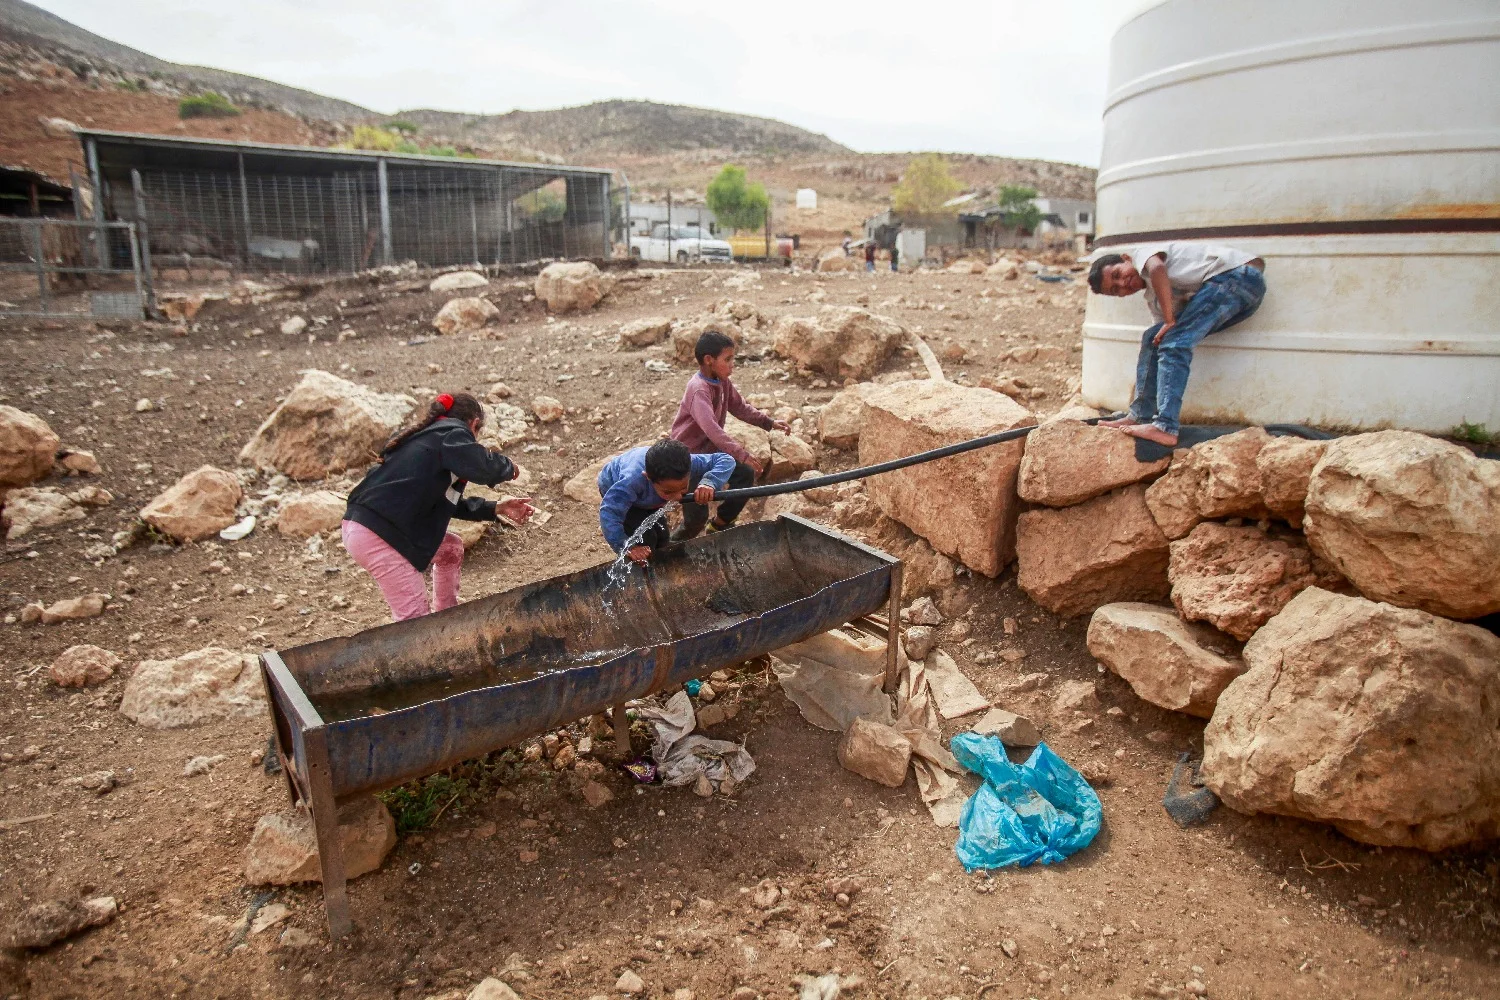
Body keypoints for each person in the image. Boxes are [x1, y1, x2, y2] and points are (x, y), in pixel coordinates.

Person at [341, 392, 533, 621]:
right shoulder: (450, 434)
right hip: (380, 535)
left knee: (450, 548)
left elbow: (447, 503)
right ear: (474, 424)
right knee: (414, 621)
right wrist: (508, 468)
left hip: (369, 527)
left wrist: (495, 508)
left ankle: (447, 618)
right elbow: (483, 466)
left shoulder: (427, 443)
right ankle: (424, 646)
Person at [1089, 243, 1266, 447]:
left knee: (1174, 343)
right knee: (1153, 338)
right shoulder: (1155, 299)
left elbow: (1157, 269)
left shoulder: (1142, 256)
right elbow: (1158, 338)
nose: (1122, 283)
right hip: (1240, 291)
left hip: (1236, 277)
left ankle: (1165, 426)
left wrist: (1170, 321)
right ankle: (1140, 415)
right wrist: (1167, 323)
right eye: (1115, 290)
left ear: (1126, 259)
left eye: (1118, 274)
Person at [668, 329, 790, 541]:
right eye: (728, 359)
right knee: (695, 519)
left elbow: (740, 407)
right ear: (709, 360)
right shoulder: (698, 390)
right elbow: (712, 429)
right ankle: (667, 552)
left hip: (711, 453)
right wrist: (740, 453)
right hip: (690, 459)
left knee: (744, 474)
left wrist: (769, 423)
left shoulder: (722, 381)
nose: (733, 364)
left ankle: (721, 524)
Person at [598, 439, 734, 564]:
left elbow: (725, 459)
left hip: (649, 495)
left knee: (663, 537)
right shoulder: (631, 482)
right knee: (645, 539)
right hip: (617, 490)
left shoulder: (689, 463)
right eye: (668, 492)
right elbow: (609, 513)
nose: (677, 498)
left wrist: (709, 482)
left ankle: (662, 567)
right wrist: (627, 547)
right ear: (648, 478)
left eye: (682, 488)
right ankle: (639, 575)